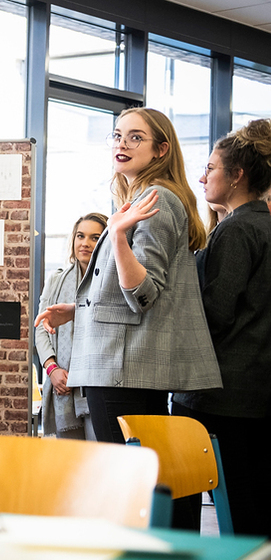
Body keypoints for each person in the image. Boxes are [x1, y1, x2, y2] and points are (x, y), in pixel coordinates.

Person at [35, 107, 221, 448]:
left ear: (160, 150)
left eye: (136, 137)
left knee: (128, 479)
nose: (123, 144)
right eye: (118, 135)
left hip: (121, 366)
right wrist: (77, 310)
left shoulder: (156, 198)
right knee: (149, 475)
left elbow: (144, 292)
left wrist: (117, 234)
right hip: (123, 363)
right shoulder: (139, 198)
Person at [171, 119, 271, 543]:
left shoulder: (237, 230)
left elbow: (216, 314)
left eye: (210, 167)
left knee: (232, 508)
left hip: (223, 394)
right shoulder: (262, 225)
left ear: (237, 176)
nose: (201, 176)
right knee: (254, 502)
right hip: (256, 391)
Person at [35, 212, 107, 440]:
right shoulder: (56, 280)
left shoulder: (111, 280)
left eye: (95, 237)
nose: (85, 243)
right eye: (80, 236)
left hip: (99, 382)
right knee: (71, 462)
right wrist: (52, 369)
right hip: (62, 386)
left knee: (98, 457)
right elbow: (41, 328)